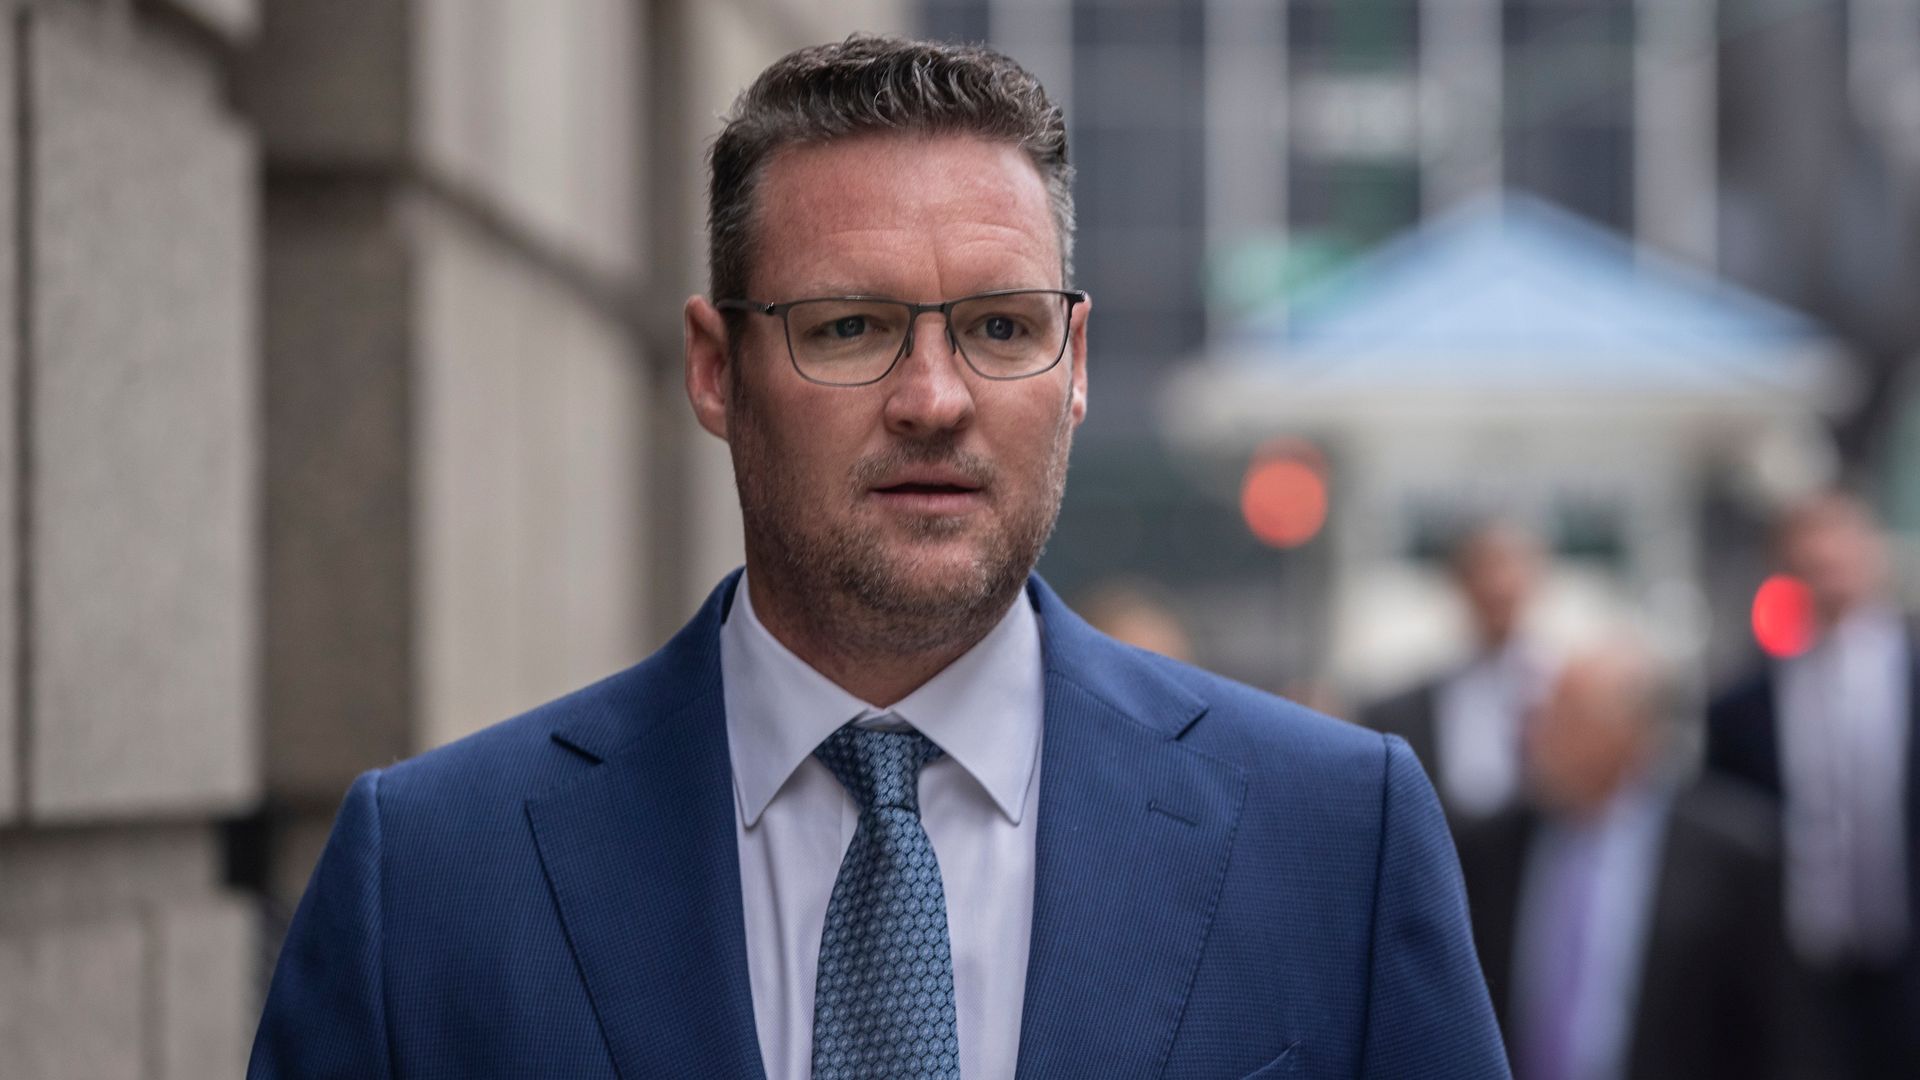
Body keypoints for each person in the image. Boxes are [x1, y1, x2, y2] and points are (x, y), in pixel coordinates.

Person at [249, 35, 1507, 1080]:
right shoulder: (427, 879)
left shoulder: (1334, 836)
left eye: (1000, 327)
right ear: (713, 368)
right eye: (849, 326)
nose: (934, 398)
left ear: (1074, 366)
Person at [1457, 642, 1814, 1080]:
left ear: (1636, 735)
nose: (1536, 736)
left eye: (1567, 719)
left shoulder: (1735, 857)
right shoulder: (1488, 847)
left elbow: (1777, 1032)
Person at [1705, 490, 1920, 1078]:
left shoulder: (1909, 669)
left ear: (1873, 551)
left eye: (1839, 540)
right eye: (1807, 543)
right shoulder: (1741, 706)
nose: (1825, 557)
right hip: (1794, 971)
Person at [1363, 521, 1555, 822]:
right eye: (1484, 568)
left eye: (1510, 567)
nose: (1498, 585)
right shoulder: (1408, 707)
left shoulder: (1561, 694)